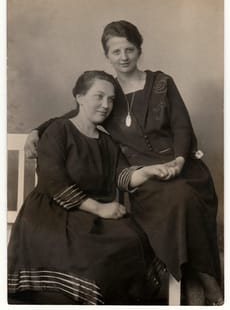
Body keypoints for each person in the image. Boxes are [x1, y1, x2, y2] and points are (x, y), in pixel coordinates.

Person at [24, 21, 224, 305]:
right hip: (143, 180)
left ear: (139, 49)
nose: (124, 56)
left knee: (185, 194)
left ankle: (199, 283)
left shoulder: (161, 82)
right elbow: (72, 113)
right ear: (107, 55)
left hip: (181, 169)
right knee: (178, 200)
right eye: (116, 51)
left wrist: (179, 161)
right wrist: (36, 131)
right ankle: (205, 284)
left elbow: (182, 127)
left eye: (129, 49)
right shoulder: (109, 93)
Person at [8, 70, 170, 305]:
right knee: (97, 257)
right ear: (79, 97)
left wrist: (146, 171)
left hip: (91, 215)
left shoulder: (106, 141)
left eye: (111, 99)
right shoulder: (59, 131)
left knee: (133, 239)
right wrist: (99, 208)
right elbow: (53, 182)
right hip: (53, 213)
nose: (106, 105)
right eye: (99, 96)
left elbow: (122, 177)